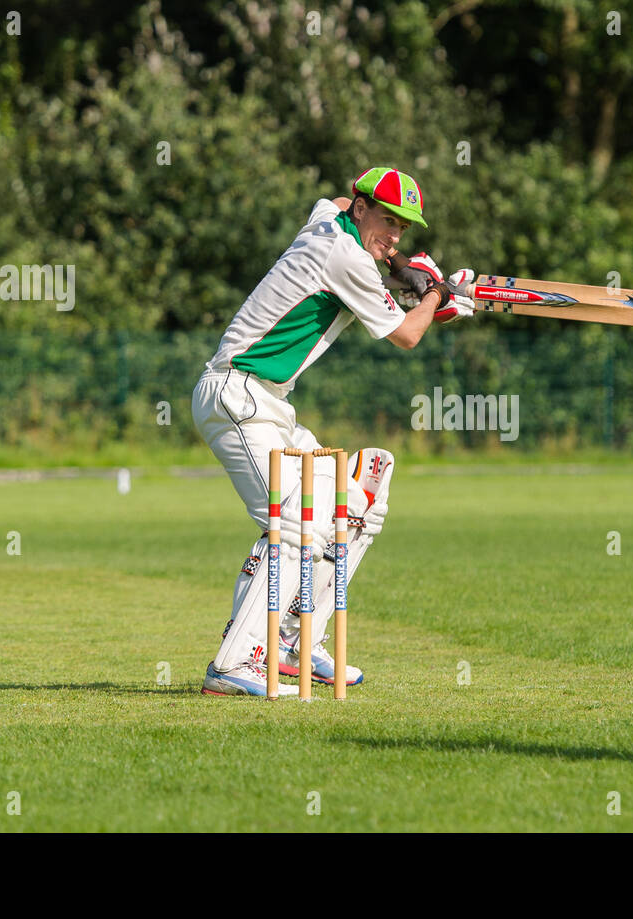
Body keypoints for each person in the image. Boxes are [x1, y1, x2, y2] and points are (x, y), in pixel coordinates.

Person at [192, 167, 475, 696]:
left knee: (358, 494)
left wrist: (405, 271)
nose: (393, 236)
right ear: (360, 207)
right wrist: (438, 294)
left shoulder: (329, 219)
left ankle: (300, 641)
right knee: (297, 523)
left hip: (269, 403)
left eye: (404, 228)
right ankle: (236, 661)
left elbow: (351, 223)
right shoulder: (343, 256)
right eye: (387, 220)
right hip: (236, 395)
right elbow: (409, 336)